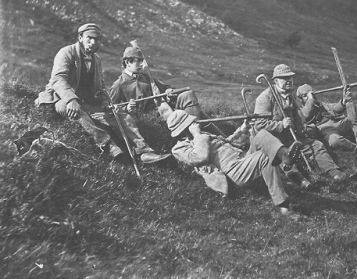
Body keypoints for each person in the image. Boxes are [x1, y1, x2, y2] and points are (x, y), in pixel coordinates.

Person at [35, 23, 170, 164]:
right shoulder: (66, 53)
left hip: (87, 103)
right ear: (80, 37)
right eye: (89, 38)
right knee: (76, 112)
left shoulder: (97, 60)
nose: (93, 42)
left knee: (122, 116)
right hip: (60, 98)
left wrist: (107, 104)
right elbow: (58, 80)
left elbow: (99, 88)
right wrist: (71, 100)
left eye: (97, 39)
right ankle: (111, 148)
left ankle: (144, 152)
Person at [166, 109, 301, 217]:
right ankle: (282, 205)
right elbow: (199, 158)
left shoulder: (201, 134)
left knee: (262, 135)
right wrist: (197, 135)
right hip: (232, 172)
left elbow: (226, 143)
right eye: (191, 123)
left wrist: (242, 129)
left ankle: (285, 155)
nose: (195, 123)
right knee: (263, 157)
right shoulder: (179, 148)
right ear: (184, 128)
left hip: (241, 159)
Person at [253, 64, 354, 187]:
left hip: (290, 137)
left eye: (290, 78)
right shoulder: (265, 97)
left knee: (316, 145)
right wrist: (280, 124)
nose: (289, 81)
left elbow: (299, 118)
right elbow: (259, 125)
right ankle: (298, 179)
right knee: (282, 154)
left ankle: (334, 172)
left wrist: (303, 131)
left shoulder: (290, 96)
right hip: (272, 140)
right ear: (275, 81)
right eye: (285, 78)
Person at [109, 46, 201, 119]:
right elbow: (111, 108)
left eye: (142, 61)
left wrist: (168, 91)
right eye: (138, 61)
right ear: (128, 62)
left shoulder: (145, 77)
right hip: (146, 118)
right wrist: (126, 108)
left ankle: (196, 129)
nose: (141, 64)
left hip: (163, 109)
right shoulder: (118, 85)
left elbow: (165, 88)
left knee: (188, 95)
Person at [296, 83, 357, 152]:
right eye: (305, 96)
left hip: (340, 123)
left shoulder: (320, 105)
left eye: (311, 94)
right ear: (300, 99)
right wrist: (310, 100)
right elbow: (306, 114)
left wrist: (343, 101)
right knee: (334, 141)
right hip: (326, 130)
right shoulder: (301, 111)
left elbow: (335, 109)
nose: (310, 97)